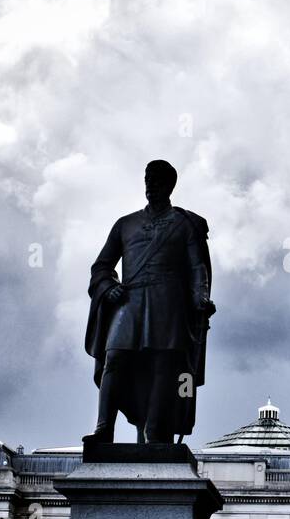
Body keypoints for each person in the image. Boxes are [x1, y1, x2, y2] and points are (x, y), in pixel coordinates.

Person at [85, 159, 215, 443]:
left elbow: (197, 268)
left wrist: (201, 298)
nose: (150, 185)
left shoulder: (184, 224)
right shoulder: (125, 224)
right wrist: (108, 287)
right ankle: (104, 429)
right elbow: (102, 265)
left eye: (156, 180)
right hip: (129, 301)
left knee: (162, 365)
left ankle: (154, 429)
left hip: (167, 302)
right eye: (147, 179)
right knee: (114, 357)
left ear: (170, 185)